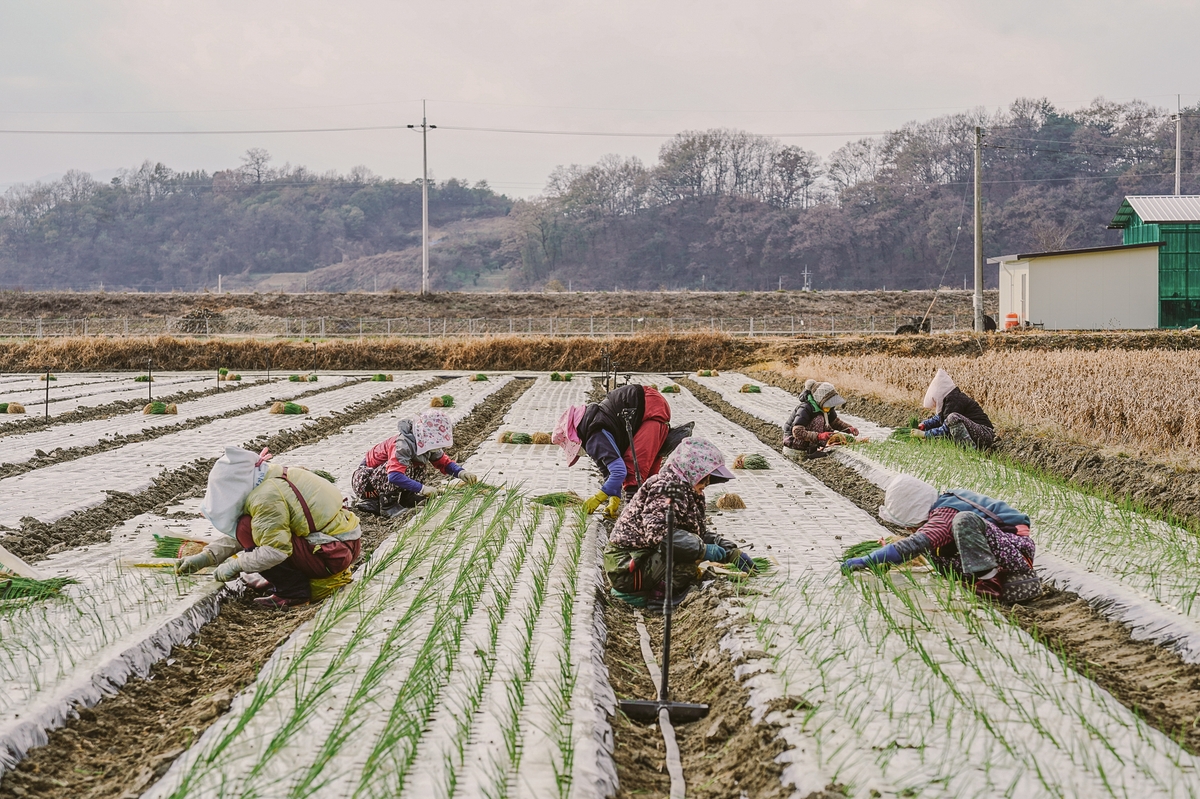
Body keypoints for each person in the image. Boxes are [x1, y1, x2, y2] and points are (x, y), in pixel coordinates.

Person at [176, 446, 363, 608]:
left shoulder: (265, 497)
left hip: (330, 555)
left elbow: (275, 550)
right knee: (250, 527)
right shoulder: (270, 475)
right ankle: (286, 582)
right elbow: (262, 529)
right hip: (341, 545)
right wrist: (209, 556)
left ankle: (293, 593)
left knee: (244, 527)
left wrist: (236, 565)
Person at [603, 437, 754, 607]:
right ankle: (658, 598)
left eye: (708, 479)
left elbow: (695, 532)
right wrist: (703, 550)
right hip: (626, 567)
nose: (706, 484)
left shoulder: (689, 491)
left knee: (691, 548)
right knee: (689, 557)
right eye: (704, 478)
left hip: (642, 559)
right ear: (692, 471)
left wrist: (729, 550)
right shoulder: (666, 489)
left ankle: (657, 590)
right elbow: (661, 535)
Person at [841, 475, 1041, 603]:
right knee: (933, 551)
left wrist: (869, 560)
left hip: (1015, 551)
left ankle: (991, 584)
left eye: (910, 525)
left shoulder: (945, 513)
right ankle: (983, 577)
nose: (911, 529)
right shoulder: (939, 508)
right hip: (996, 551)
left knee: (963, 521)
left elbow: (917, 543)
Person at [552, 383, 672, 518]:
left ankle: (632, 521)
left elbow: (620, 471)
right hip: (651, 406)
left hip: (649, 407)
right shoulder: (593, 427)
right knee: (649, 477)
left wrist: (598, 497)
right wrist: (614, 498)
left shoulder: (594, 436)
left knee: (634, 470)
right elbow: (609, 471)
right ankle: (652, 517)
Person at [350, 410, 478, 517]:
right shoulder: (402, 445)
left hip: (379, 480)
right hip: (366, 484)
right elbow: (394, 475)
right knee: (407, 466)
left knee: (419, 464)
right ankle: (387, 504)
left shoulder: (426, 445)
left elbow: (443, 462)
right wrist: (422, 489)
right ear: (424, 435)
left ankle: (408, 497)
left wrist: (461, 472)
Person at [911, 368, 994, 449]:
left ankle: (969, 449)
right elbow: (940, 418)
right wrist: (924, 425)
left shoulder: (955, 401)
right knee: (950, 420)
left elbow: (946, 428)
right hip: (977, 434)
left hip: (985, 434)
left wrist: (925, 434)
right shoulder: (950, 401)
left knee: (952, 418)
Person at [781, 380, 860, 458]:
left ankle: (816, 449)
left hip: (806, 442)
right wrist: (820, 436)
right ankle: (812, 451)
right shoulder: (805, 408)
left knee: (827, 425)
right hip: (794, 445)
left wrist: (849, 428)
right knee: (819, 419)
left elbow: (835, 422)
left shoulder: (826, 408)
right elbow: (797, 432)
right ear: (820, 400)